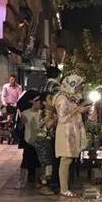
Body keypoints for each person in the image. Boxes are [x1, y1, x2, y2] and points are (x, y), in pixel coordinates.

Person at [54, 75, 89, 197]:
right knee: (65, 160)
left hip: (71, 132)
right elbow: (62, 118)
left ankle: (65, 187)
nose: (79, 89)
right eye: (78, 86)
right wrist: (78, 110)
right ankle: (64, 189)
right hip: (66, 133)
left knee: (68, 160)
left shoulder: (70, 98)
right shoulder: (62, 99)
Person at [15, 90, 42, 189]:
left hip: (39, 140)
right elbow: (24, 123)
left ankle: (37, 180)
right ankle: (21, 181)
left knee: (38, 161)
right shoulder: (25, 113)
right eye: (38, 101)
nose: (40, 103)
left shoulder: (41, 113)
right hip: (28, 140)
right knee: (26, 160)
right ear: (32, 101)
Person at [41, 66, 61, 194]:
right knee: (54, 156)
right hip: (53, 124)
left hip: (46, 123)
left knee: (50, 156)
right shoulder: (55, 86)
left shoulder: (43, 85)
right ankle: (53, 183)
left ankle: (49, 181)